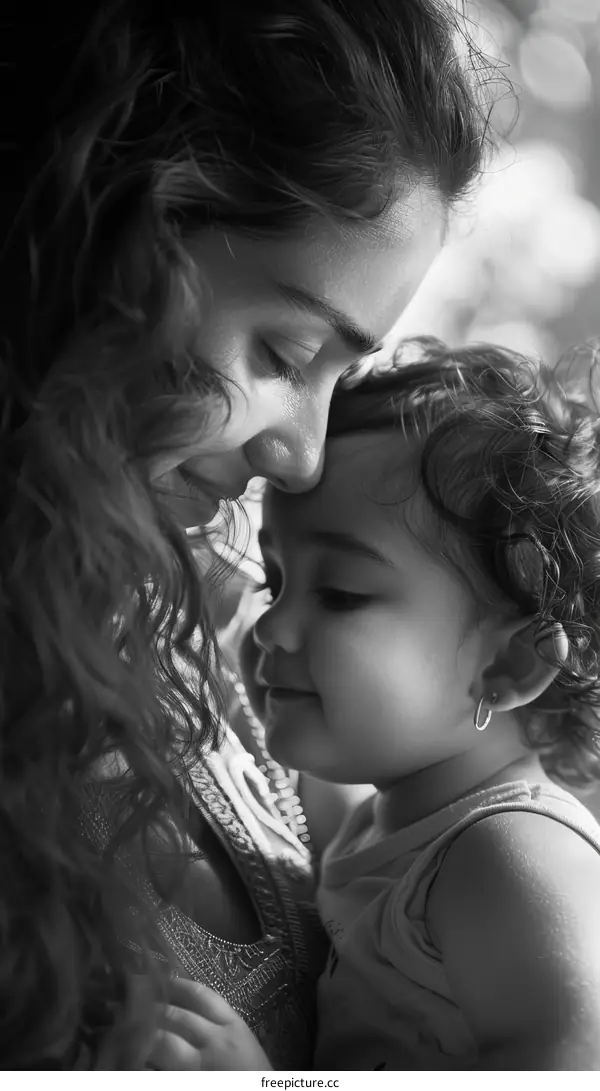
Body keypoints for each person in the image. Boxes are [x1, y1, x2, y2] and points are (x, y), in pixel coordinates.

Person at [0, 0, 491, 1072]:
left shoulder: (225, 643)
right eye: (284, 351)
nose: (304, 460)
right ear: (105, 238)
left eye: (339, 377)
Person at [242, 340, 600, 1070]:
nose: (270, 626)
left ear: (508, 662)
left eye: (339, 593)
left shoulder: (510, 857)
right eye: (272, 580)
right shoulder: (395, 821)